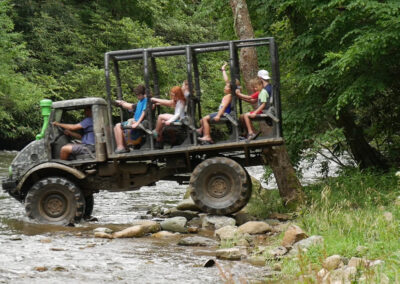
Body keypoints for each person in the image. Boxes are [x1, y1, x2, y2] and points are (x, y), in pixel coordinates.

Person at [197, 63, 232, 144]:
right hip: (222, 112)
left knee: (205, 119)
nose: (224, 87)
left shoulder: (229, 96)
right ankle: (201, 131)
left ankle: (207, 136)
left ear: (230, 89)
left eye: (226, 87)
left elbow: (223, 108)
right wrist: (223, 69)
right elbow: (227, 81)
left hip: (223, 113)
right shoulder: (228, 94)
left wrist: (218, 115)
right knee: (202, 120)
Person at [113, 84, 148, 154]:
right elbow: (131, 107)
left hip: (138, 122)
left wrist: (137, 122)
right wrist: (121, 103)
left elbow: (144, 112)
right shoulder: (139, 102)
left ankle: (120, 147)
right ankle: (125, 147)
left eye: (139, 95)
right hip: (135, 121)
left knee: (118, 126)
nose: (138, 97)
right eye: (137, 95)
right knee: (115, 127)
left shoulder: (146, 100)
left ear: (143, 94)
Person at [242, 69, 272, 141]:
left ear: (260, 79)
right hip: (266, 109)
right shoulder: (267, 88)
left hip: (265, 110)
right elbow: (253, 101)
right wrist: (241, 97)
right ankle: (250, 132)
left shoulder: (264, 91)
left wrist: (238, 94)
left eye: (255, 87)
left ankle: (251, 133)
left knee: (245, 116)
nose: (254, 89)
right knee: (243, 116)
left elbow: (262, 104)